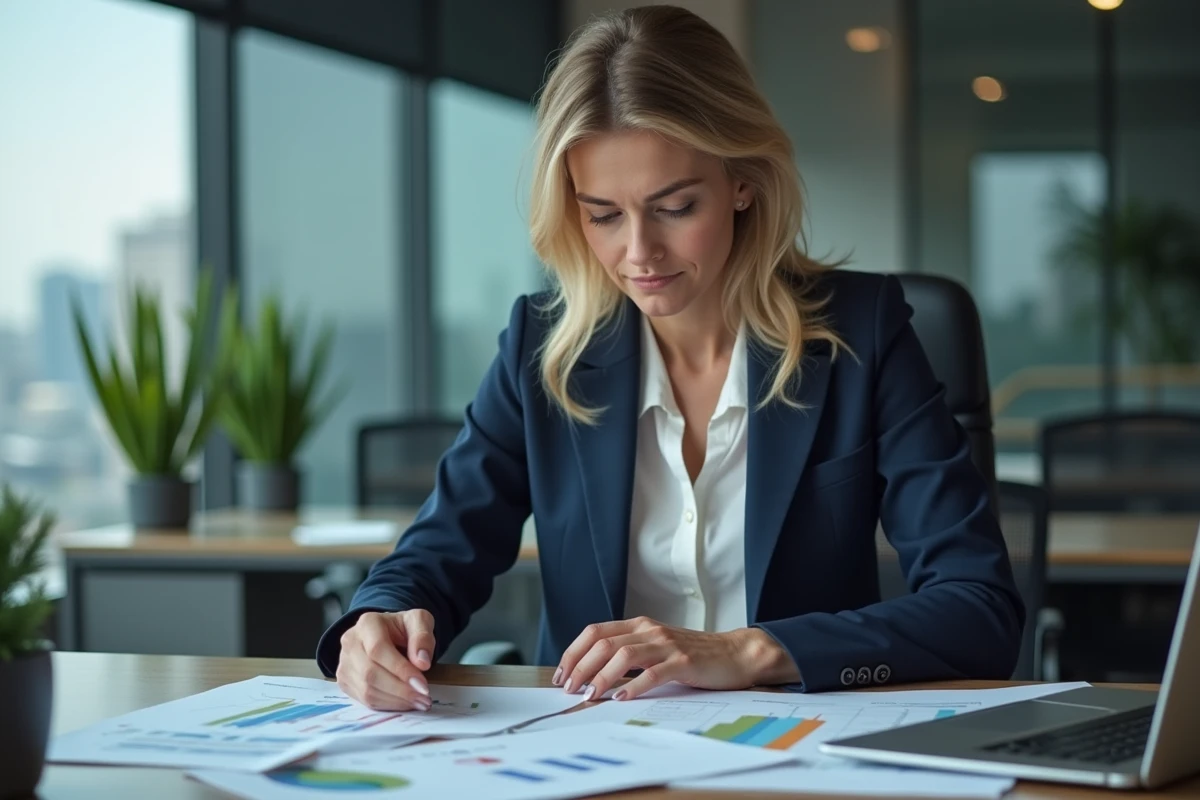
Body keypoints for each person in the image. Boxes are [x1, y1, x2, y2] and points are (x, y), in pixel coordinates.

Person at [317, 4, 1024, 712]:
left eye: (676, 207)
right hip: (591, 741)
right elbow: (438, 551)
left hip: (796, 740)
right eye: (603, 215)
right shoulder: (542, 347)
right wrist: (379, 621)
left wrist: (748, 650)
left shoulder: (861, 334)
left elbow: (980, 609)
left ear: (742, 181)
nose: (639, 254)